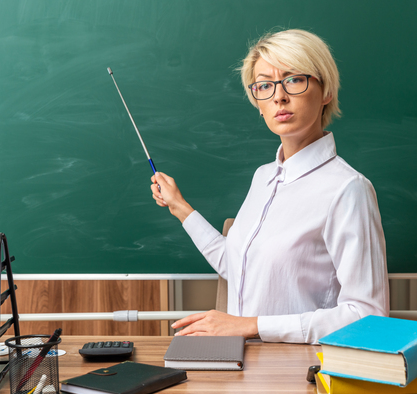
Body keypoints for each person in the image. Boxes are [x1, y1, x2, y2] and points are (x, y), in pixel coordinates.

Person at [150, 29, 389, 344]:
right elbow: (236, 265)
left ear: (326, 91)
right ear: (258, 104)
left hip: (297, 372)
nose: (279, 96)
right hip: (239, 364)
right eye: (265, 85)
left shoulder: (348, 189)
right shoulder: (264, 177)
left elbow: (367, 316)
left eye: (293, 80)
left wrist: (252, 326)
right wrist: (180, 208)